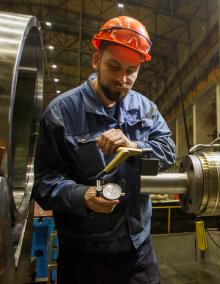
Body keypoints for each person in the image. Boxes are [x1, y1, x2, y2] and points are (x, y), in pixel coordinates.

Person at [32, 16, 176, 284]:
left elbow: (168, 152)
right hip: (84, 257)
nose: (122, 79)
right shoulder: (61, 113)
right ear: (96, 60)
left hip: (138, 250)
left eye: (131, 70)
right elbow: (43, 183)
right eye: (114, 67)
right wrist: (83, 195)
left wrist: (134, 146)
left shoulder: (146, 109)